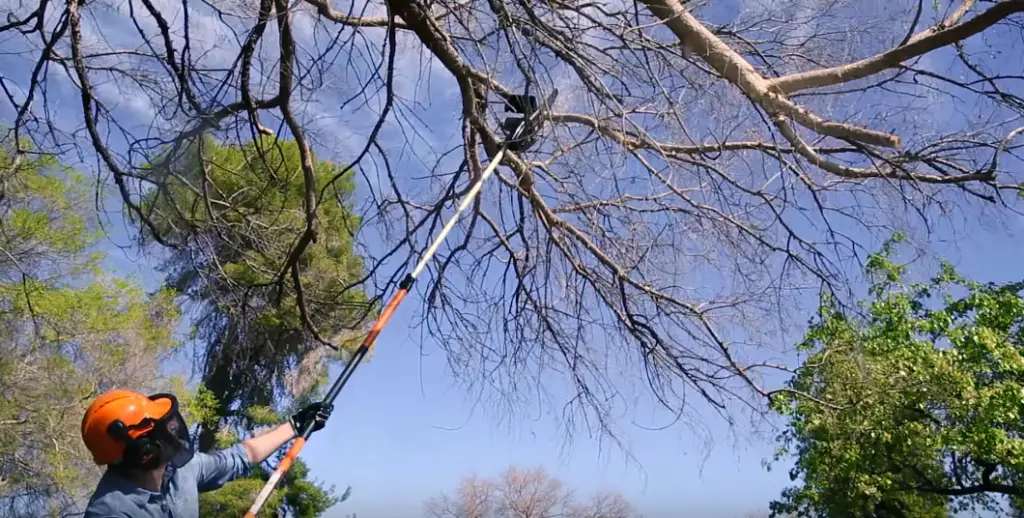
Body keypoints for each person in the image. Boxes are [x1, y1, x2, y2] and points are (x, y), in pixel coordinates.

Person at [80, 388, 332, 517]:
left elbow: (240, 457)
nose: (175, 430)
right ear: (144, 451)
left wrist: (295, 425)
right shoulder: (111, 511)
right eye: (164, 428)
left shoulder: (180, 471)